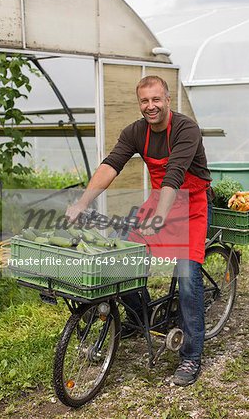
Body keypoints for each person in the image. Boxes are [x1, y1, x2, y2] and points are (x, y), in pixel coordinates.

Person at [66, 75, 212, 386]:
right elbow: (111, 165)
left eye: (156, 99)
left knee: (187, 277)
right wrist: (82, 202)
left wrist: (159, 218)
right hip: (160, 202)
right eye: (144, 101)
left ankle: (191, 356)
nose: (150, 106)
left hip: (191, 205)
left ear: (168, 101)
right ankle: (142, 317)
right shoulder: (135, 131)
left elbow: (174, 175)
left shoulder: (186, 129)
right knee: (121, 255)